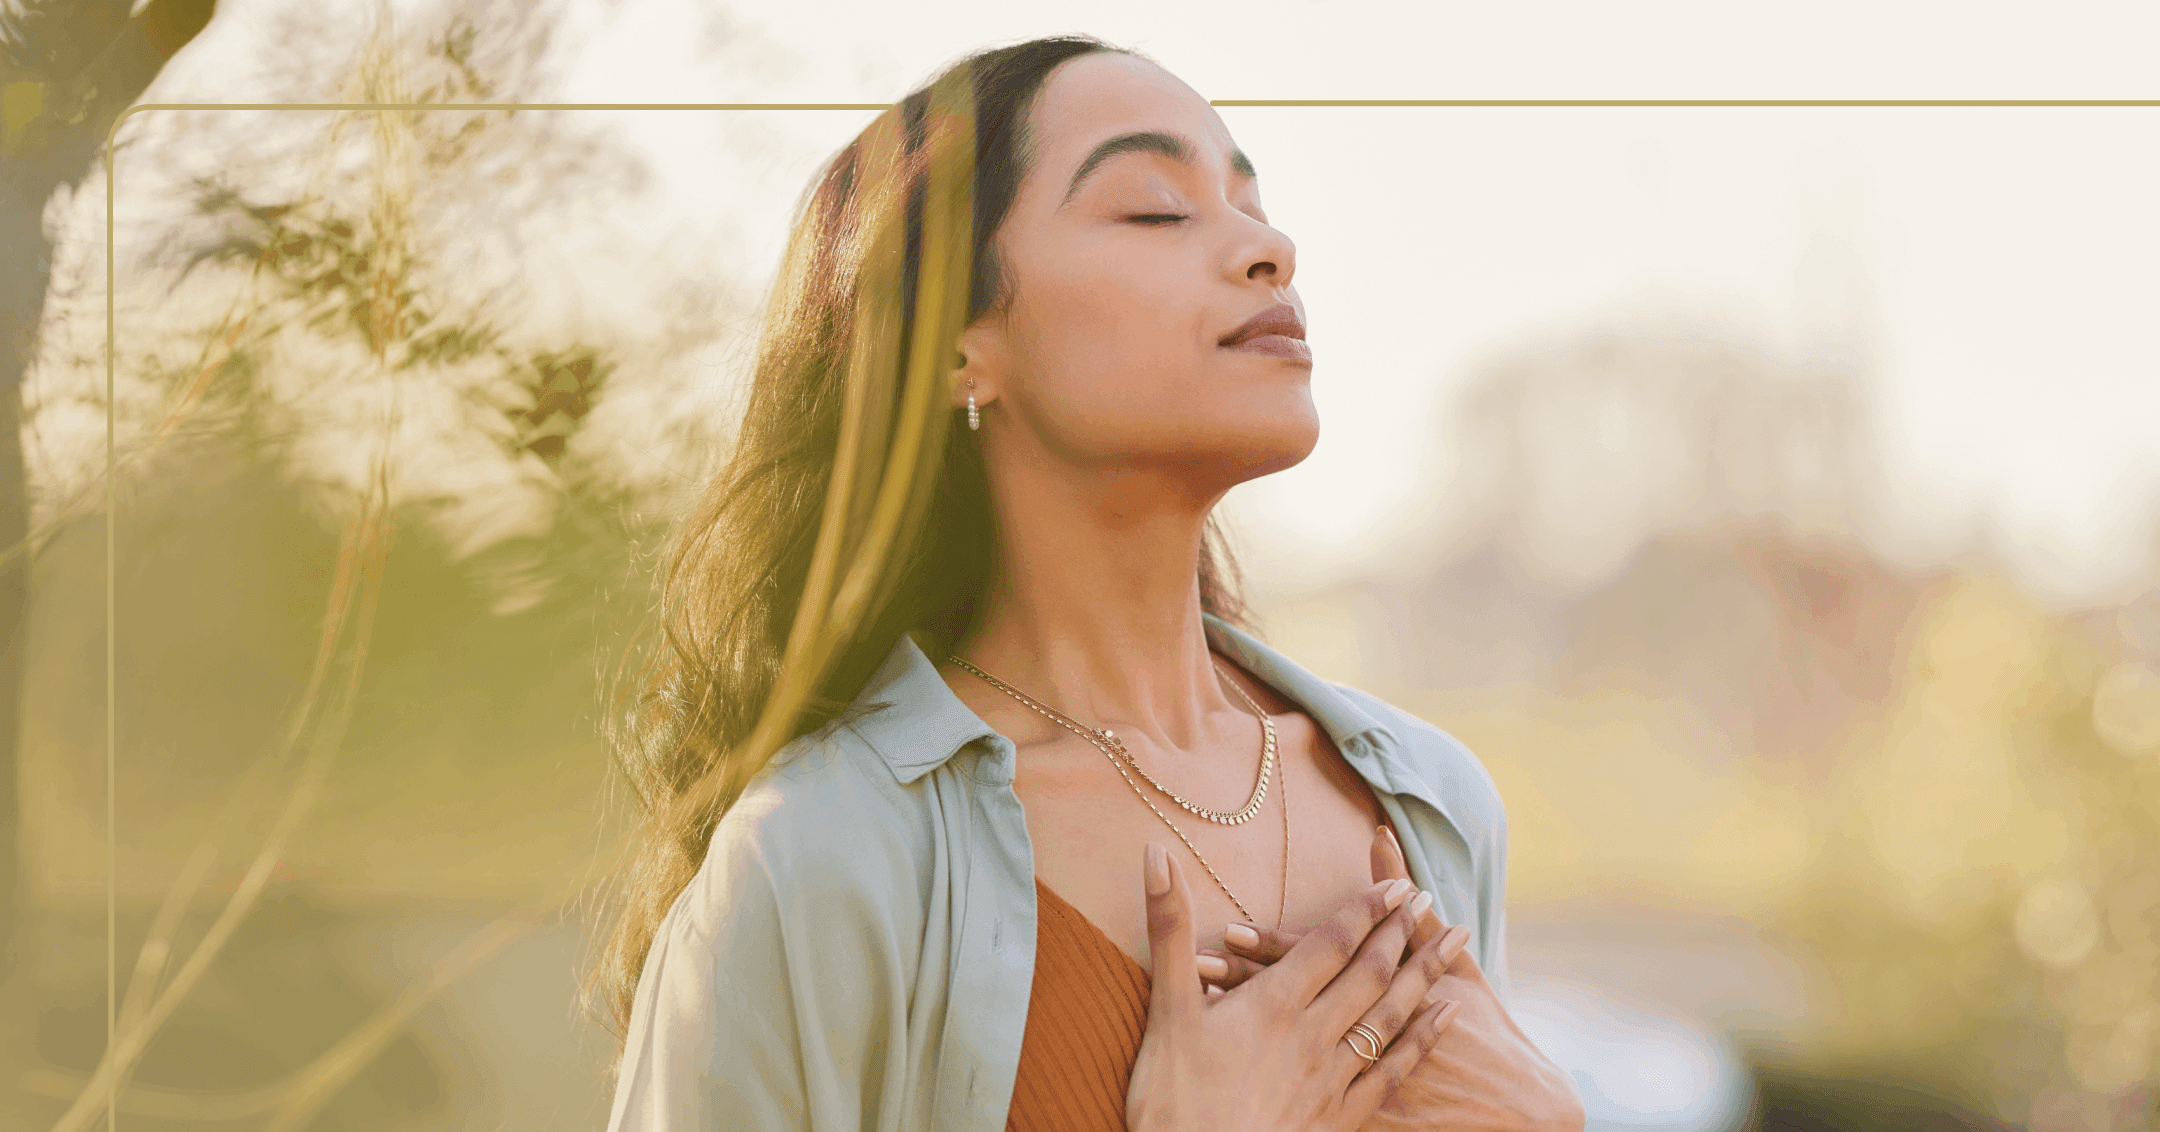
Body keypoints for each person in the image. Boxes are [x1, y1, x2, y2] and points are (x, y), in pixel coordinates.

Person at [585, 33, 1585, 1132]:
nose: (1270, 248)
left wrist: (1550, 1116)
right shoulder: (824, 862)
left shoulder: (1435, 805)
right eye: (1157, 208)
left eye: (1252, 201)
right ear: (958, 348)